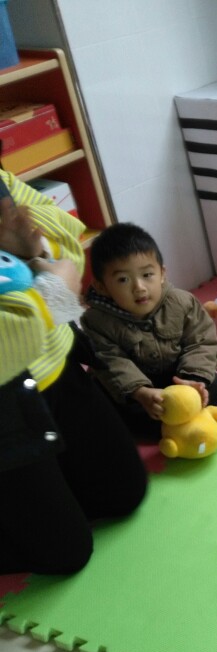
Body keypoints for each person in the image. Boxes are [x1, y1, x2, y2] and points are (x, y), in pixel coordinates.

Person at [0, 171, 147, 575]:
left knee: (123, 493)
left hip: (55, 368)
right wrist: (49, 289)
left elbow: (68, 236)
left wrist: (34, 251)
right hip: (6, 405)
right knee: (67, 553)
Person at [80, 222, 217, 438]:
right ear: (102, 286)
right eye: (123, 279)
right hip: (133, 387)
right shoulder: (95, 321)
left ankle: (182, 411)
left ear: (162, 273)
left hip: (177, 375)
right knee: (108, 408)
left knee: (216, 386)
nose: (139, 287)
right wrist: (141, 392)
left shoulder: (183, 302)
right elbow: (111, 363)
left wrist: (192, 379)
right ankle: (178, 418)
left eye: (147, 275)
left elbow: (202, 342)